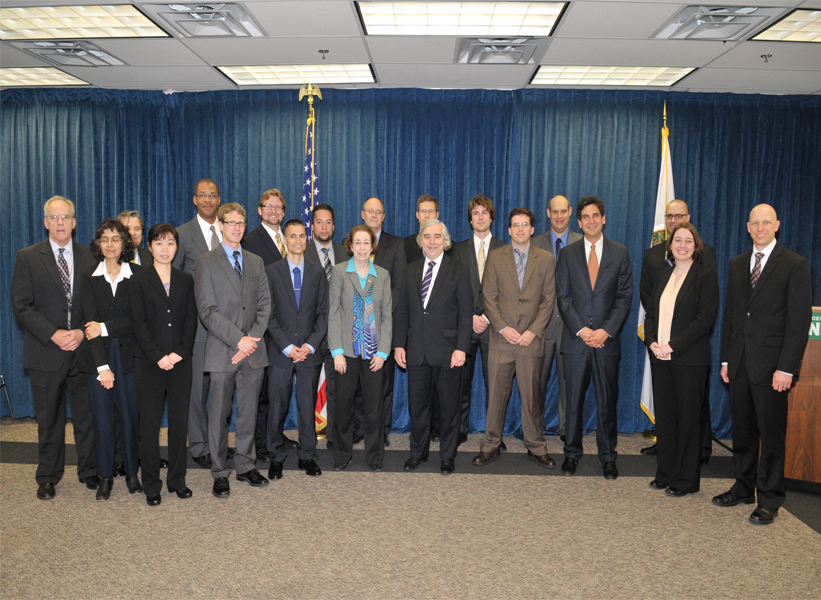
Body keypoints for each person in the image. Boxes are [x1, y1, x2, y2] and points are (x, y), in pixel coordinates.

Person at [714, 204, 812, 525]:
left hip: (773, 368)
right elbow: (732, 314)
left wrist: (788, 368)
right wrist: (726, 358)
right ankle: (743, 487)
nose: (760, 227)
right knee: (742, 432)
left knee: (771, 435)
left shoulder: (795, 265)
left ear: (776, 225)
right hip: (740, 363)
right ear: (747, 226)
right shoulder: (737, 263)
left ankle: (769, 497)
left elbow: (799, 322)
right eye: (754, 223)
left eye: (766, 222)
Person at [12, 196, 100, 500]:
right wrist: (54, 334)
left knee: (86, 416)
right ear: (46, 222)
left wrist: (79, 332)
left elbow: (98, 304)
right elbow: (22, 307)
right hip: (45, 351)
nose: (60, 222)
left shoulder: (90, 256)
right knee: (49, 419)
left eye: (66, 217)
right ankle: (48, 476)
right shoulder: (27, 257)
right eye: (54, 217)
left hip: (83, 349)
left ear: (74, 222)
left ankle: (89, 471)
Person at [194, 202, 271, 498]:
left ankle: (246, 465)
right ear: (221, 225)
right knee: (218, 415)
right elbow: (207, 311)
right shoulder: (205, 262)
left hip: (252, 352)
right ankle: (219, 471)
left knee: (249, 413)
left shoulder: (255, 261)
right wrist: (238, 339)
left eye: (241, 223)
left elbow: (265, 305)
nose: (237, 228)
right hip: (222, 350)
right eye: (231, 223)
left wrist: (250, 339)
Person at [472, 207, 557, 469]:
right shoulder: (496, 258)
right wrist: (503, 328)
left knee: (531, 396)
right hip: (501, 339)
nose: (520, 229)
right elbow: (490, 297)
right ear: (508, 230)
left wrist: (532, 331)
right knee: (496, 395)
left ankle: (536, 446)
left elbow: (548, 300)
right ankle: (490, 446)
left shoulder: (546, 259)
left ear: (532, 229)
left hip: (531, 340)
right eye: (515, 225)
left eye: (525, 225)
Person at [556, 196, 633, 480]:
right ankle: (572, 454)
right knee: (573, 402)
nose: (590, 221)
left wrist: (605, 330)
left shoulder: (620, 253)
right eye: (585, 217)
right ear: (579, 222)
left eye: (595, 216)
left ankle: (608, 457)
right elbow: (562, 298)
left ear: (603, 219)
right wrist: (582, 330)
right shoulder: (567, 254)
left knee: (606, 402)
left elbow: (624, 298)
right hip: (576, 341)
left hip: (606, 341)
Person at [644, 222, 718, 497]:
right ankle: (665, 473)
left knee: (688, 421)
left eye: (688, 241)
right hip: (660, 358)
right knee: (666, 419)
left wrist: (672, 346)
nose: (682, 245)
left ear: (695, 246)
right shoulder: (663, 276)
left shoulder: (706, 276)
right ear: (670, 245)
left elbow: (704, 321)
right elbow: (650, 314)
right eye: (678, 241)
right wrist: (652, 342)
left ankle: (686, 480)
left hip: (689, 360)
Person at [395, 220, 472, 475]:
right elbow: (402, 312)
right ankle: (418, 452)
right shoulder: (410, 270)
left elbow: (465, 314)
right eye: (426, 236)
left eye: (437, 236)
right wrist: (398, 345)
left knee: (450, 407)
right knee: (418, 406)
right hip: (416, 350)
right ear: (420, 241)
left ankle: (448, 456)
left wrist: (462, 348)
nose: (431, 241)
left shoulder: (459, 270)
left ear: (445, 240)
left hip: (449, 352)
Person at [130, 223, 198, 506]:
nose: (165, 248)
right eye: (159, 243)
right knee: (150, 424)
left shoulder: (185, 279)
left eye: (170, 243)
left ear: (176, 247)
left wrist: (179, 353)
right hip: (149, 362)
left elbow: (190, 321)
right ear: (149, 247)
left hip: (180, 362)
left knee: (180, 423)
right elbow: (138, 323)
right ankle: (151, 484)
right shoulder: (138, 280)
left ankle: (177, 479)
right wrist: (158, 355)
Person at [79, 218, 142, 501]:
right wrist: (102, 367)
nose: (110, 244)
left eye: (115, 239)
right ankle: (105, 476)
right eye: (104, 239)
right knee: (102, 419)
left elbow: (138, 321)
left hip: (130, 357)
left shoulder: (139, 274)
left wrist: (105, 327)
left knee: (130, 416)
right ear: (98, 244)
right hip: (99, 358)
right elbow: (89, 326)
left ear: (125, 243)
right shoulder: (89, 278)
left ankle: (131, 473)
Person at [265, 220, 328, 480]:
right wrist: (289, 346)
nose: (298, 241)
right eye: (293, 236)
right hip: (281, 352)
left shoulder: (317, 272)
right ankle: (276, 456)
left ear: (307, 239)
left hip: (309, 353)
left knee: (306, 405)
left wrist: (310, 345)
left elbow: (323, 313)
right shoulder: (271, 271)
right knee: (277, 407)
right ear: (285, 240)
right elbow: (267, 315)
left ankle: (307, 456)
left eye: (302, 236)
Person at [328, 225, 392, 471]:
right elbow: (333, 314)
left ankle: (375, 457)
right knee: (343, 407)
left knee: (374, 409)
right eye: (358, 243)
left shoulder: (383, 275)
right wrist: (336, 352)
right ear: (350, 245)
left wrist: (383, 352)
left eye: (367, 242)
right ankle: (342, 456)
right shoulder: (339, 272)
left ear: (372, 245)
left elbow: (387, 316)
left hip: (375, 354)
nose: (363, 247)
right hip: (347, 353)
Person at [240, 189, 293, 462]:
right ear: (259, 210)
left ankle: (275, 434)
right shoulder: (249, 241)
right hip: (263, 326)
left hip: (287, 326)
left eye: (279, 207)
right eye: (268, 207)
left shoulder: (290, 239)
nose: (274, 211)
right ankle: (260, 441)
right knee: (261, 392)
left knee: (279, 390)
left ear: (283, 212)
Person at [172, 178, 222, 469]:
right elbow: (175, 282)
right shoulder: (182, 234)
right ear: (194, 200)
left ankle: (216, 442)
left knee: (220, 390)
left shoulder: (229, 232)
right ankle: (200, 446)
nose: (207, 200)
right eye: (202, 195)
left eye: (212, 195)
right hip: (197, 329)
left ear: (218, 199)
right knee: (196, 391)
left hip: (225, 328)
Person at [452, 194, 505, 446]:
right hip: (465, 326)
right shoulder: (457, 250)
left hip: (494, 328)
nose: (480, 217)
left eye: (485, 212)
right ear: (470, 220)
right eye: (476, 213)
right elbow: (452, 289)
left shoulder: (505, 249)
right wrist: (471, 317)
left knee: (495, 384)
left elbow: (508, 291)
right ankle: (460, 430)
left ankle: (494, 435)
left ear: (491, 218)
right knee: (461, 382)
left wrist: (485, 316)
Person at [531, 195, 582, 441]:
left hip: (572, 327)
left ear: (570, 212)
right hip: (541, 326)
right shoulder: (534, 243)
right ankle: (535, 428)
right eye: (555, 212)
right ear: (548, 213)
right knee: (536, 383)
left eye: (564, 211)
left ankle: (566, 429)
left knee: (569, 384)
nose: (560, 216)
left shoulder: (582, 242)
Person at [360, 197, 406, 446]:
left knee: (384, 382)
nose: (374, 215)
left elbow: (398, 285)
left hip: (384, 324)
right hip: (356, 326)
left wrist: (380, 315)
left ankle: (381, 431)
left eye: (379, 212)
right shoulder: (354, 240)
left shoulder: (396, 244)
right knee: (358, 381)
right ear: (363, 214)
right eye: (370, 211)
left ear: (384, 216)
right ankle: (360, 428)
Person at [304, 203, 347, 447]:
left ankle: (334, 436)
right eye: (319, 222)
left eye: (328, 222)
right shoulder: (302, 251)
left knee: (337, 388)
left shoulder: (344, 253)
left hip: (338, 334)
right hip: (310, 334)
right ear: (312, 225)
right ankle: (309, 438)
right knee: (309, 388)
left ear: (333, 225)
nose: (324, 226)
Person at [403, 194, 439, 264]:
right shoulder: (405, 245)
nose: (427, 215)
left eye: (431, 211)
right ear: (417, 215)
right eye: (423, 211)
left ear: (437, 215)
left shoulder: (449, 246)